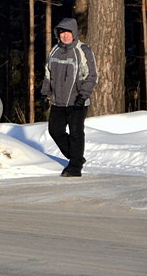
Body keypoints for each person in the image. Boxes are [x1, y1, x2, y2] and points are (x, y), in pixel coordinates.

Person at [41, 17, 98, 177]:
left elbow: (92, 76)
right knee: (55, 131)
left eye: (68, 32)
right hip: (58, 101)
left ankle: (75, 167)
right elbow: (48, 75)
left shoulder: (83, 51)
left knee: (76, 133)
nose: (65, 36)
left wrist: (83, 95)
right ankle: (77, 158)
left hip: (77, 101)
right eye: (62, 33)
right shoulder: (54, 51)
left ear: (74, 33)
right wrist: (45, 95)